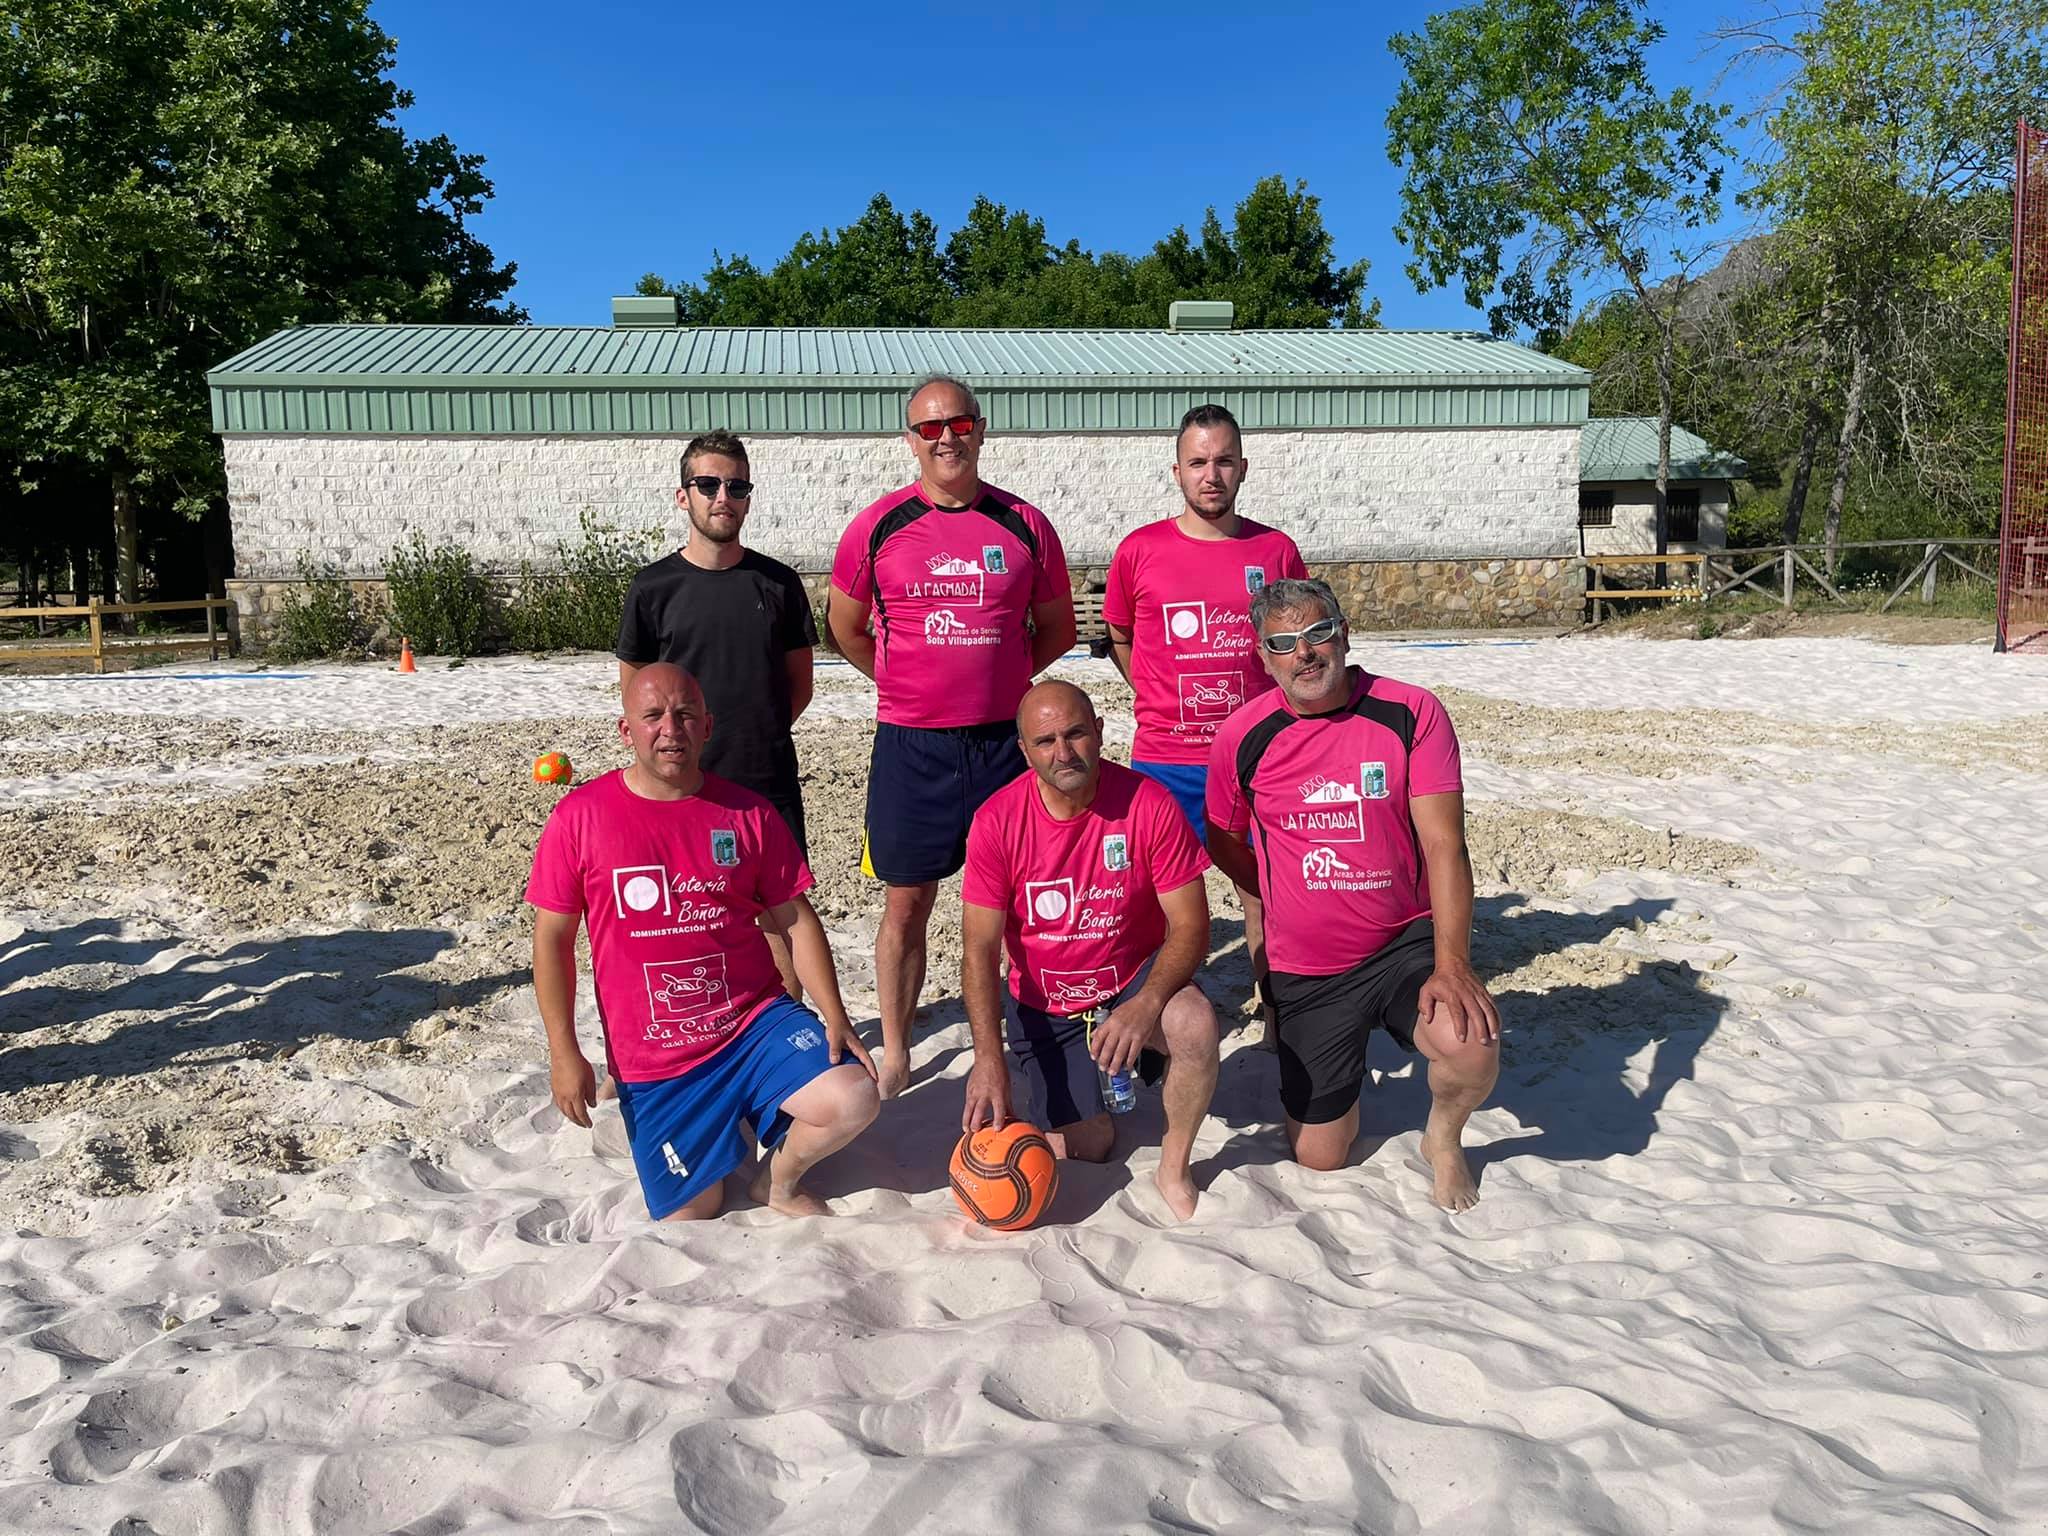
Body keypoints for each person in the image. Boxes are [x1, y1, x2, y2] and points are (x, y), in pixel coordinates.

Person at [527, 663, 878, 1221]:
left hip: (751, 1022)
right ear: (626, 731)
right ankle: (725, 1121)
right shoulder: (580, 817)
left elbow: (797, 920)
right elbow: (551, 941)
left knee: (854, 1097)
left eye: (686, 714)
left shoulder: (748, 813)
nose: (671, 729)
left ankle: (775, 1184)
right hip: (656, 1052)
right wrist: (564, 1052)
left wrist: (835, 1014)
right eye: (653, 716)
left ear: (707, 726)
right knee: (693, 1214)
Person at [1203, 579, 1500, 1211]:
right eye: (1284, 643)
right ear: (1263, 657)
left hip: (1402, 945)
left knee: (1471, 1049)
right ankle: (1338, 1056)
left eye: (1317, 634)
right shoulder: (1243, 734)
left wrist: (1453, 966)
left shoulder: (1410, 711)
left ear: (1343, 633)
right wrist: (1277, 892)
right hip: (1310, 969)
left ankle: (1442, 1141)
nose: (1304, 653)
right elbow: (1223, 840)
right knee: (1321, 1155)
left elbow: (1447, 847)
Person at [827, 375, 1076, 1099]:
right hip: (912, 746)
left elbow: (1056, 627)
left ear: (980, 428)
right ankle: (900, 1047)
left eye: (958, 424)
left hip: (1005, 743)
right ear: (910, 439)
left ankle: (1029, 1032)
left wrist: (996, 676)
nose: (945, 438)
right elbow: (844, 627)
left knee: (1021, 898)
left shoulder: (1025, 523)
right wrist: (909, 679)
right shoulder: (877, 526)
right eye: (928, 428)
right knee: (908, 904)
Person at [960, 680, 1220, 1221]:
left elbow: (1192, 926)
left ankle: (1174, 1167)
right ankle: (1082, 1094)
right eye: (1046, 741)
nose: (1063, 752)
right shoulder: (996, 820)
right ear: (1024, 750)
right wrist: (988, 1059)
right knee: (1091, 1145)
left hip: (1131, 979)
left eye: (1076, 734)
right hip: (1048, 999)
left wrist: (1144, 1005)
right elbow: (979, 951)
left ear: (1100, 732)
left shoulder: (1148, 801)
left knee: (1194, 1024)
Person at [1103, 403, 1307, 1044]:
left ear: (1243, 467)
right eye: (1198, 462)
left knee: (1265, 896)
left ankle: (1279, 1023)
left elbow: (1297, 645)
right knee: (1158, 904)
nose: (1210, 474)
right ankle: (1156, 1029)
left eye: (1223, 460)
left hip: (1258, 760)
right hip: (1166, 761)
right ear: (1178, 471)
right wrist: (1156, 694)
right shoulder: (1139, 550)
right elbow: (1119, 635)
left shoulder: (1275, 551)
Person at [617, 431, 818, 994]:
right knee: (681, 916)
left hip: (764, 776)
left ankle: (783, 1035)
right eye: (707, 484)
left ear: (749, 497)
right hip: (679, 784)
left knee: (778, 915)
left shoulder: (778, 583)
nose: (721, 496)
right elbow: (638, 699)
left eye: (736, 485)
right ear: (684, 496)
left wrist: (756, 730)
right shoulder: (653, 587)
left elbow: (796, 689)